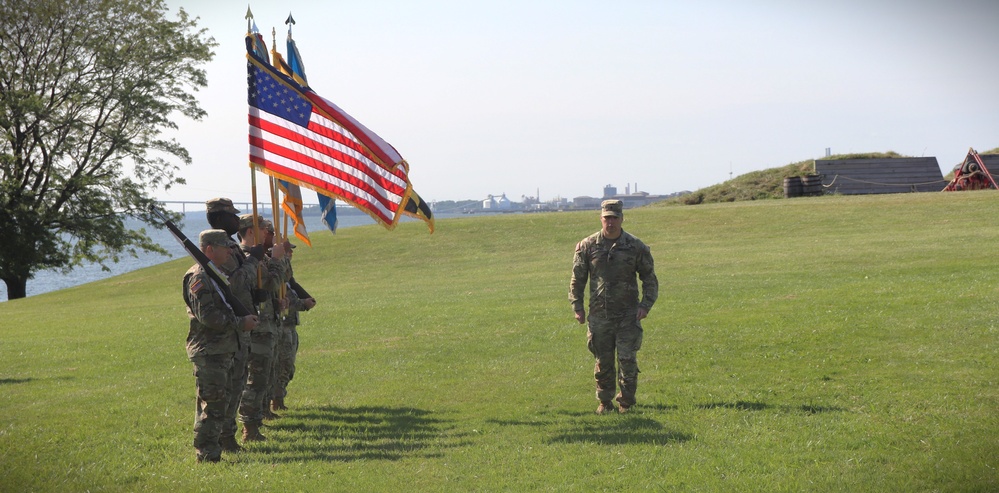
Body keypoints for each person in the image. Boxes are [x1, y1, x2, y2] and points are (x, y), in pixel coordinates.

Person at [569, 200, 658, 414]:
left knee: (627, 361)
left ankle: (626, 402)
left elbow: (650, 279)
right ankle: (604, 401)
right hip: (600, 316)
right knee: (603, 362)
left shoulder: (636, 246)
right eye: (607, 218)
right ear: (601, 218)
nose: (611, 222)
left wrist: (645, 306)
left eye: (615, 218)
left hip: (628, 315)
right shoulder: (588, 246)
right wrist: (577, 306)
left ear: (622, 219)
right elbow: (577, 279)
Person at [183, 229, 258, 462]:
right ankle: (207, 454)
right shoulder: (199, 277)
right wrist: (240, 323)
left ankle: (223, 444)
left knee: (225, 403)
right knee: (212, 406)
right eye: (224, 246)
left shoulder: (214, 274)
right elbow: (209, 317)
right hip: (210, 351)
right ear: (208, 250)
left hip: (225, 348)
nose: (230, 250)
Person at [205, 198, 252, 452]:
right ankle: (222, 439)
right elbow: (234, 284)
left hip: (239, 327)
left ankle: (228, 436)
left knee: (236, 385)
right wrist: (253, 261)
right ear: (219, 218)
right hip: (226, 330)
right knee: (224, 390)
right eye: (232, 216)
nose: (237, 220)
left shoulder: (231, 246)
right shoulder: (217, 249)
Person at [236, 214, 287, 441]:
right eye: (264, 229)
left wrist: (278, 302)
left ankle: (258, 419)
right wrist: (276, 260)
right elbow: (272, 281)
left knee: (265, 377)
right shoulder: (248, 258)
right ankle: (250, 427)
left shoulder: (259, 259)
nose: (268, 233)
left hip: (268, 325)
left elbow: (272, 289)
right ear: (249, 232)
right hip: (257, 329)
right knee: (255, 379)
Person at [271, 242, 316, 412]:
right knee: (282, 364)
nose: (290, 253)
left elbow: (293, 287)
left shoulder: (287, 276)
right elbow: (287, 298)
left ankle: (279, 398)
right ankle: (275, 401)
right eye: (287, 250)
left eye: (290, 250)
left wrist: (307, 299)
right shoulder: (277, 274)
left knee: (288, 365)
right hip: (282, 324)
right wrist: (303, 304)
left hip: (290, 324)